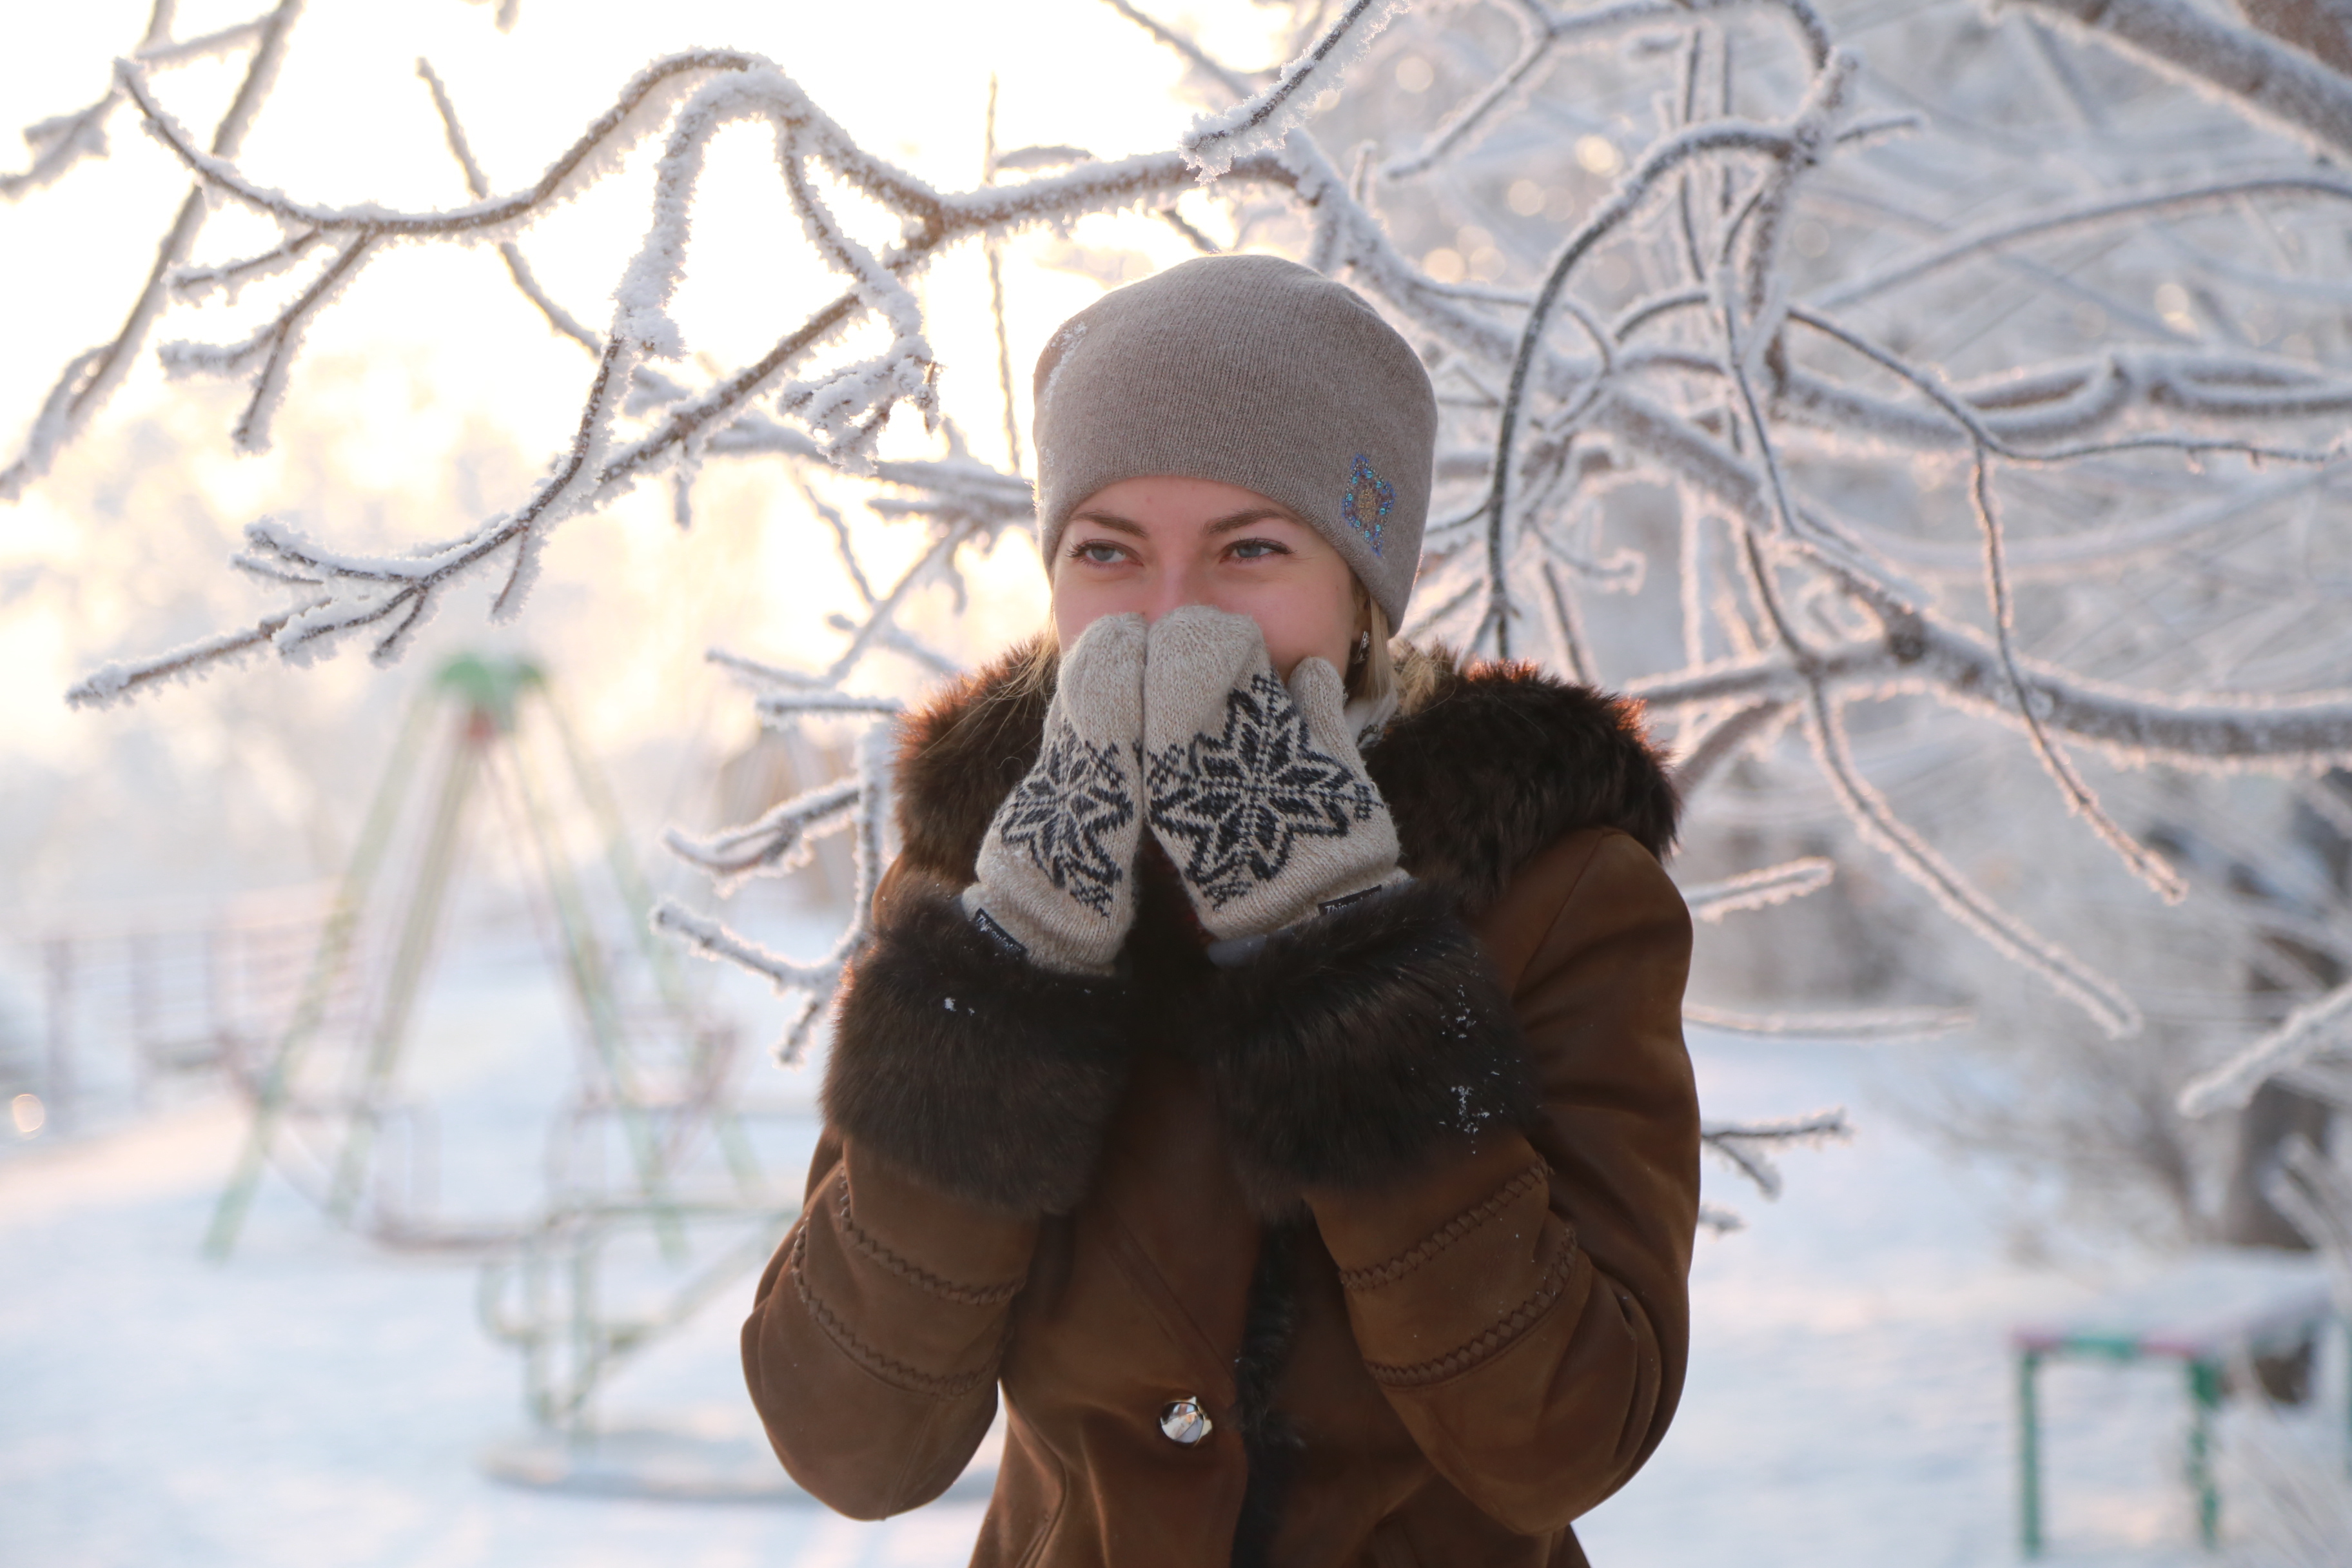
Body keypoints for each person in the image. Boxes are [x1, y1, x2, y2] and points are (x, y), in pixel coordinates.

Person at [742, 253, 1699, 1567]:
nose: (1173, 616)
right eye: (1108, 552)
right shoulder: (984, 873)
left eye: (1250, 549)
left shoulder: (1556, 890)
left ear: (1361, 590)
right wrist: (1010, 984)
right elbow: (853, 1441)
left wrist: (1340, 964)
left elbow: (1562, 1437)